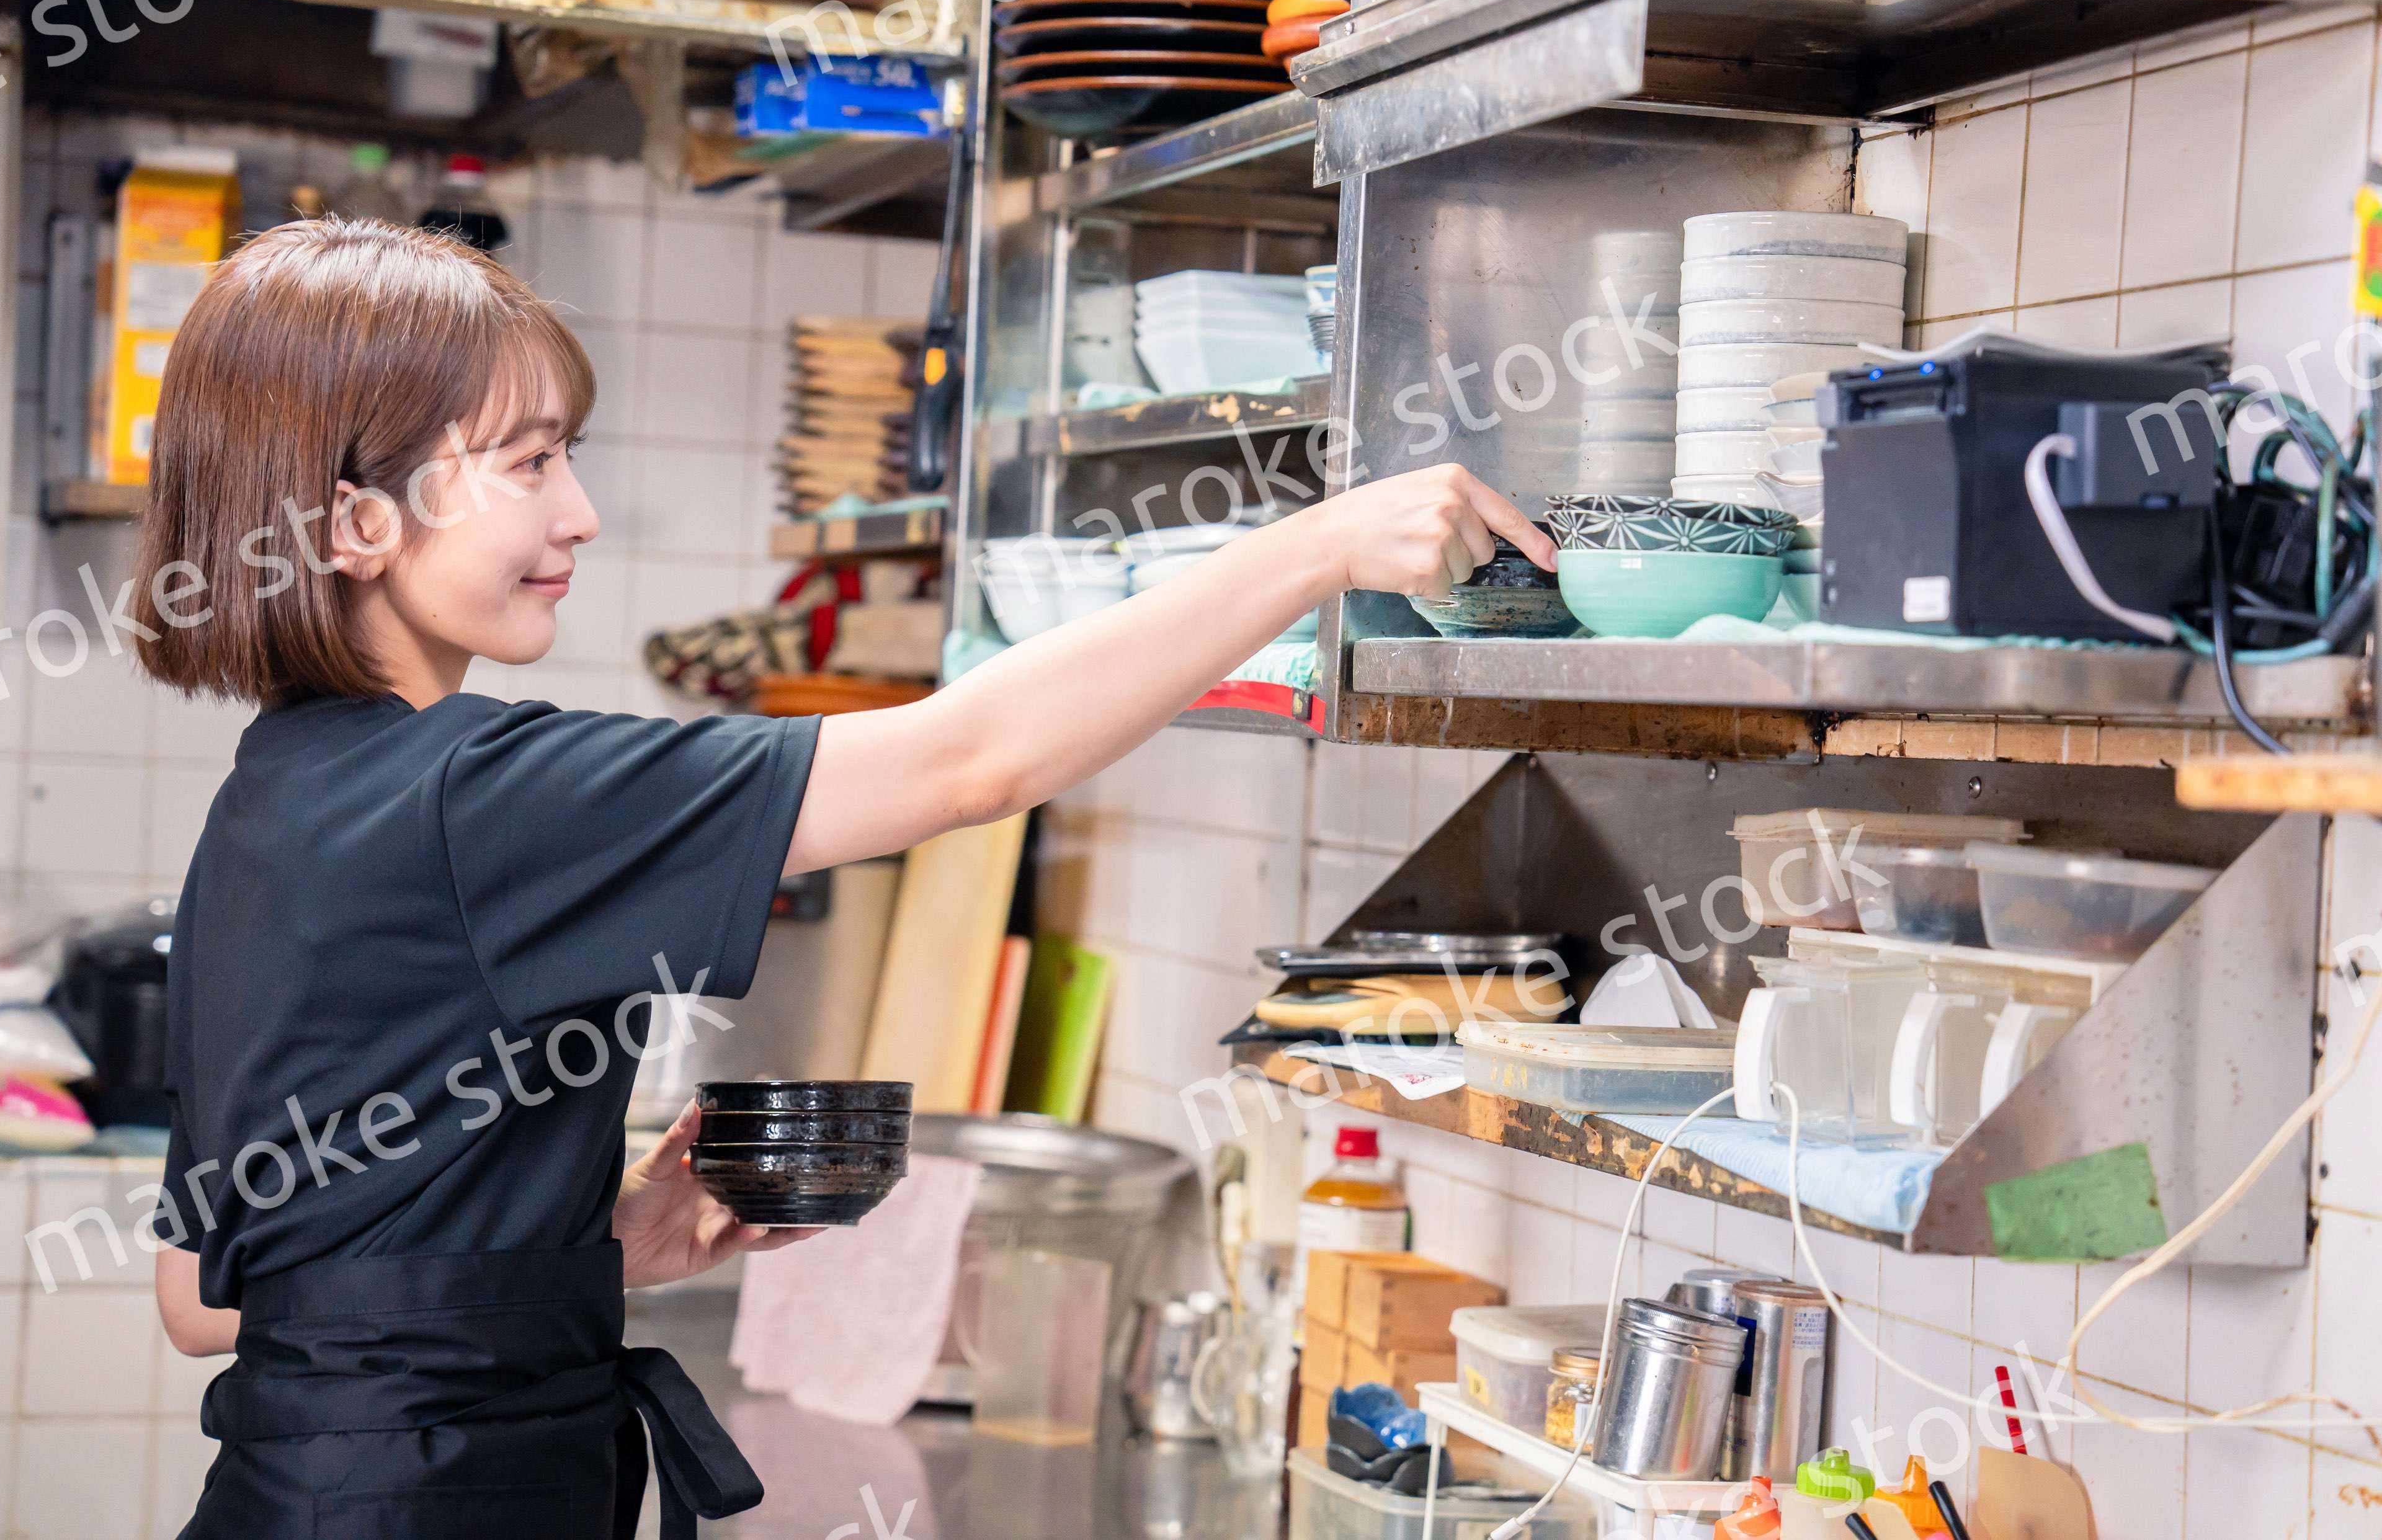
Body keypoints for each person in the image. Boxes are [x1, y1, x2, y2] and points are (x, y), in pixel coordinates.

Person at [135, 217, 1555, 1539]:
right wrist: (1323, 541)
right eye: (526, 462)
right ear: (355, 521)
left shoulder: (266, 804)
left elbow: (208, 1297)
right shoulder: (475, 791)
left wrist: (590, 1246)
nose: (579, 514)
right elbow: (970, 762)